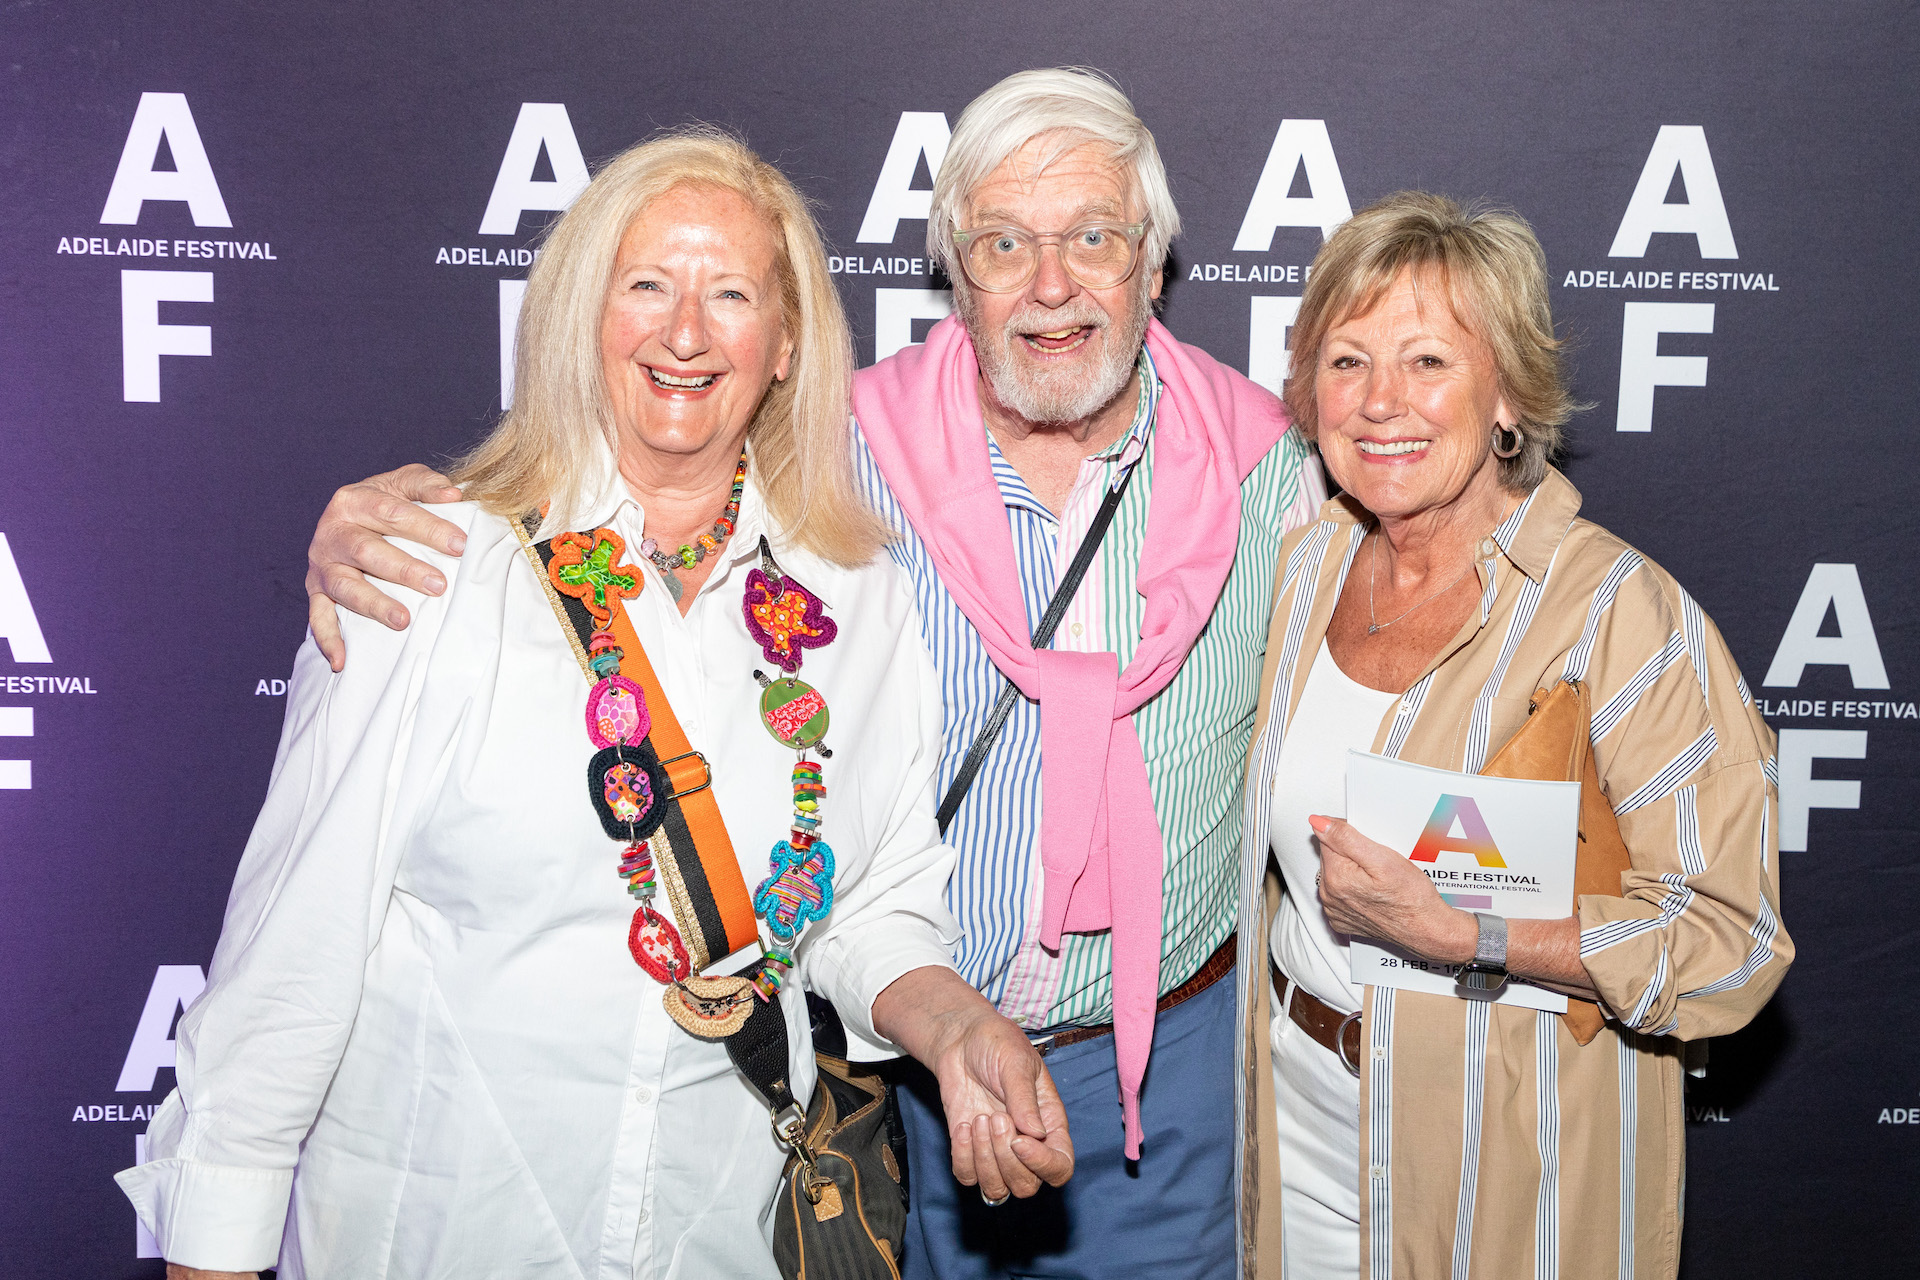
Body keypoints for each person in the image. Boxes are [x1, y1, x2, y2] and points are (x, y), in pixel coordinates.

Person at [302, 69, 1326, 1280]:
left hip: (1162, 1082)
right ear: (956, 269)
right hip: (871, 1066)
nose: (1051, 284)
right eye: (1004, 242)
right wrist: (390, 523)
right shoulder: (836, 462)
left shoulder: (1275, 473)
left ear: (1153, 264)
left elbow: (1431, 564)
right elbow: (618, 488)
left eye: (1093, 236)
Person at [116, 128, 1074, 1280]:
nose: (685, 332)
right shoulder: (425, 566)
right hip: (439, 1231)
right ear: (583, 317)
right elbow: (287, 972)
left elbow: (869, 901)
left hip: (720, 1232)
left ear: (785, 347)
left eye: (731, 293)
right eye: (647, 285)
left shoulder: (852, 596)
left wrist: (955, 1024)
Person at [1235, 191, 1792, 1279]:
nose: (1381, 401)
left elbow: (1730, 939)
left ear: (1507, 401)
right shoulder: (1301, 574)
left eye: (1428, 360)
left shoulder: (1623, 613)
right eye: (1347, 361)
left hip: (1511, 1161)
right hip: (1294, 1115)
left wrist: (1470, 933)